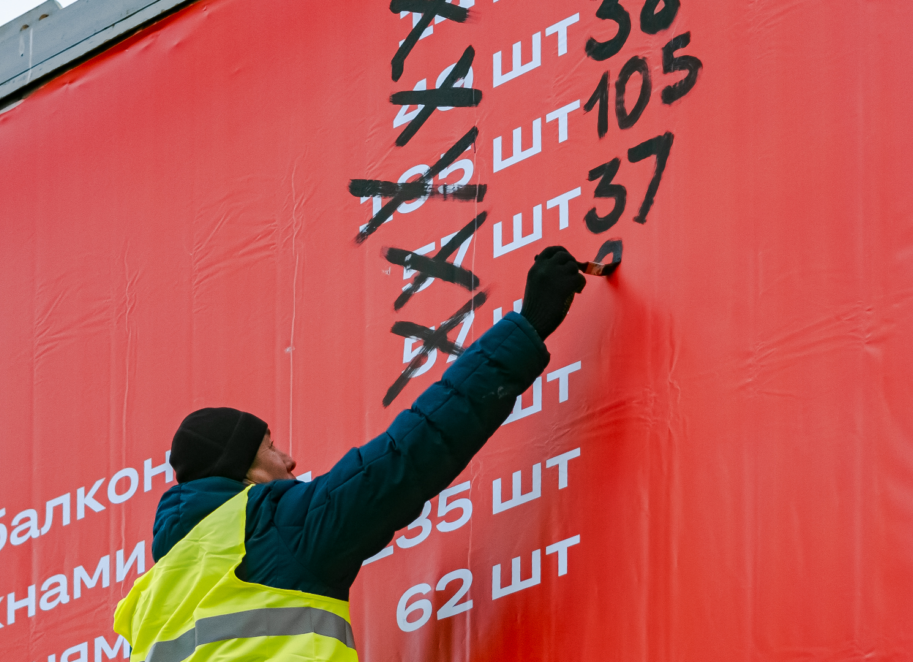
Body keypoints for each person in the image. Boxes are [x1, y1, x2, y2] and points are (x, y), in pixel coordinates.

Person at [113, 246, 589, 662]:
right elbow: (411, 450)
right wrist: (528, 325)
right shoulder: (273, 526)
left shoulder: (148, 607)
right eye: (271, 447)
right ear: (245, 471)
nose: (290, 460)